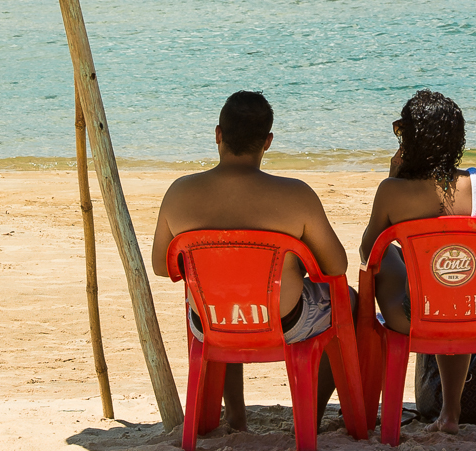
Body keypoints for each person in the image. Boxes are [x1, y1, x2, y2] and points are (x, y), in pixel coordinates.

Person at [151, 90, 353, 433]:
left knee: (226, 288)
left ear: (218, 134)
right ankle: (311, 417)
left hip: (211, 321)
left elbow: (160, 266)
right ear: (268, 141)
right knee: (351, 299)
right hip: (284, 323)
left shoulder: (179, 194)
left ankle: (236, 416)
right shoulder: (295, 196)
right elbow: (336, 267)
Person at [357, 89, 476, 433]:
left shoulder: (392, 191)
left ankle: (405, 409)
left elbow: (369, 255)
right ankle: (451, 413)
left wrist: (394, 177)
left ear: (409, 139)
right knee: (455, 286)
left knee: (393, 259)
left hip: (417, 316)